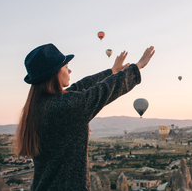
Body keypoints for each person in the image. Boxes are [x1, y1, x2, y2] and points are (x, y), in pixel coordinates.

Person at [14, 43, 155, 191]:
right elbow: (100, 92)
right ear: (54, 73)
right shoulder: (62, 107)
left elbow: (79, 87)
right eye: (66, 66)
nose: (70, 70)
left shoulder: (39, 106)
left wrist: (111, 71)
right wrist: (136, 67)